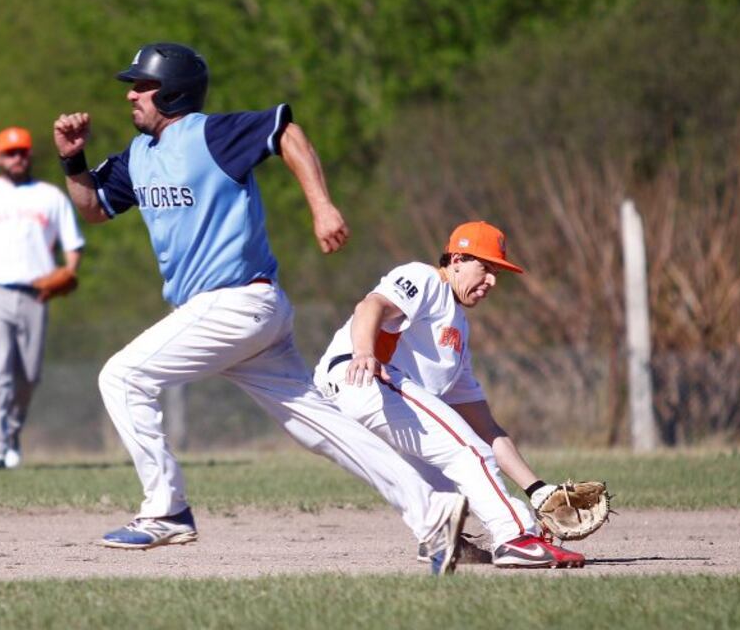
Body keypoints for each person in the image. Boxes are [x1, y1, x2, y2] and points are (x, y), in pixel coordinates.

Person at [51, 42, 467, 574]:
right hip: (239, 314)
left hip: (235, 303)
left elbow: (285, 132)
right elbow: (94, 210)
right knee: (317, 426)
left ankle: (167, 510)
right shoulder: (140, 156)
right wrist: (72, 159)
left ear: (173, 92)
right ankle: (431, 510)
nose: (130, 94)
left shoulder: (210, 133)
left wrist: (322, 207)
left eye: (142, 85)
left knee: (122, 377)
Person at [314, 220, 585, 569]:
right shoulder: (427, 279)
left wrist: (536, 488)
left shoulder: (457, 335)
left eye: (497, 273)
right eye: (485, 268)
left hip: (366, 398)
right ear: (456, 259)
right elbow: (371, 306)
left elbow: (487, 427)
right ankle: (517, 538)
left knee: (452, 485)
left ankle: (444, 539)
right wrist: (364, 351)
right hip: (362, 378)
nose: (491, 281)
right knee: (468, 452)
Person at [0, 126, 84, 470]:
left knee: (29, 375)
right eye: (10, 152)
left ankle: (11, 433)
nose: (17, 158)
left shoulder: (49, 196)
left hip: (37, 293)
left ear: (30, 155)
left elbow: (73, 244)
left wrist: (69, 271)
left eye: (22, 152)